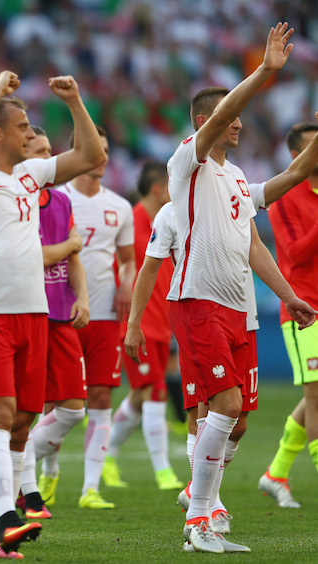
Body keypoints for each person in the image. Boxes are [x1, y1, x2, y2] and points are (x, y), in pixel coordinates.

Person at [160, 23, 314, 553]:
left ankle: (201, 506)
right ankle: (199, 520)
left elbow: (261, 235)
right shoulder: (188, 161)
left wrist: (289, 295)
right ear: (207, 122)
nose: (240, 125)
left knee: (237, 420)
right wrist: (267, 71)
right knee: (222, 403)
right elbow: (226, 111)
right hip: (198, 298)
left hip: (240, 308)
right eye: (230, 117)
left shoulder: (236, 181)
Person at [0, 71, 105, 557]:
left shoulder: (29, 175)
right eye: (21, 127)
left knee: (23, 421)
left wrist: (77, 101)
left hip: (35, 314)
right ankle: (8, 515)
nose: (29, 134)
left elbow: (91, 156)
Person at [55, 125, 136, 509]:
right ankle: (46, 477)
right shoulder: (56, 198)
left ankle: (90, 489)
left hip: (105, 313)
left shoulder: (119, 207)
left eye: (105, 150)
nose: (101, 157)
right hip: (60, 313)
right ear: (78, 151)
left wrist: (126, 284)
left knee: (101, 397)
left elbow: (128, 259)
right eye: (94, 149)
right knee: (54, 400)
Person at [103, 161, 184, 492]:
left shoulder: (169, 220)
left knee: (140, 395)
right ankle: (163, 470)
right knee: (154, 391)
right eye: (170, 185)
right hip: (139, 322)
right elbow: (122, 269)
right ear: (158, 189)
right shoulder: (131, 220)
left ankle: (107, 454)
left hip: (163, 319)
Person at [23, 125, 89, 518]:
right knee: (25, 407)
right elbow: (41, 255)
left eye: (50, 150)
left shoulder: (61, 200)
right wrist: (70, 245)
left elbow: (70, 258)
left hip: (61, 314)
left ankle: (17, 463)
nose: (48, 158)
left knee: (73, 409)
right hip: (27, 312)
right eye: (38, 150)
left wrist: (81, 296)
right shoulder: (14, 197)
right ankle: (20, 478)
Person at [262, 118, 318, 507]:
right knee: (316, 397)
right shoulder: (284, 196)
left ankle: (275, 473)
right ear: (299, 155)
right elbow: (294, 255)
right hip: (304, 311)